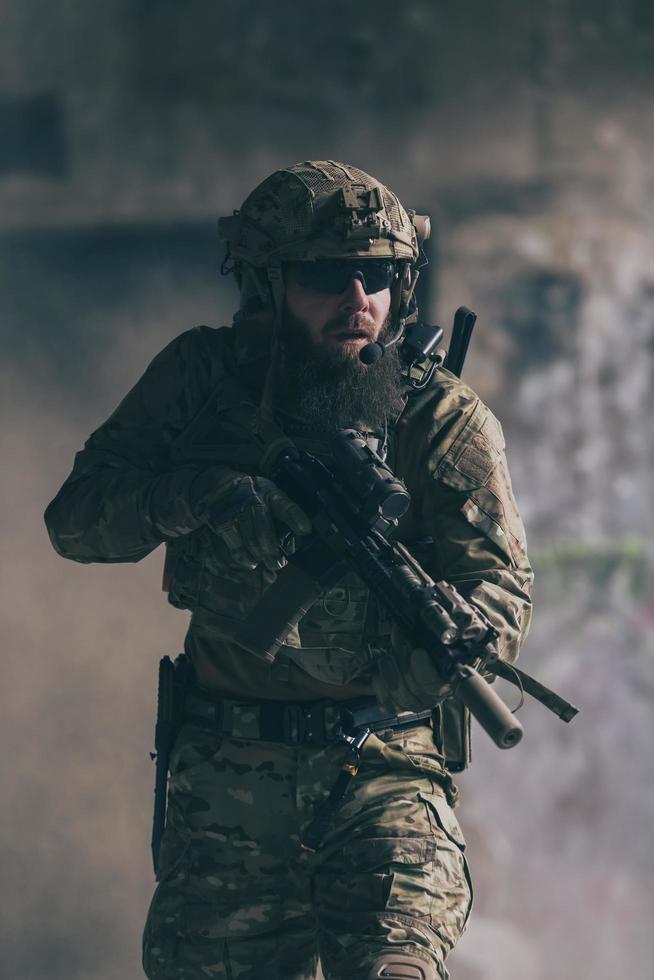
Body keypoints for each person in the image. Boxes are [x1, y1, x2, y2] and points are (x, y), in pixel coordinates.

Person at [44, 160, 533, 980]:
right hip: (228, 780)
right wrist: (195, 496)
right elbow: (78, 521)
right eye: (323, 274)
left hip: (385, 770)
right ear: (268, 287)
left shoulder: (438, 416)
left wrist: (447, 648)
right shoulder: (202, 381)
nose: (357, 299)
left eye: (377, 274)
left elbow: (500, 586)